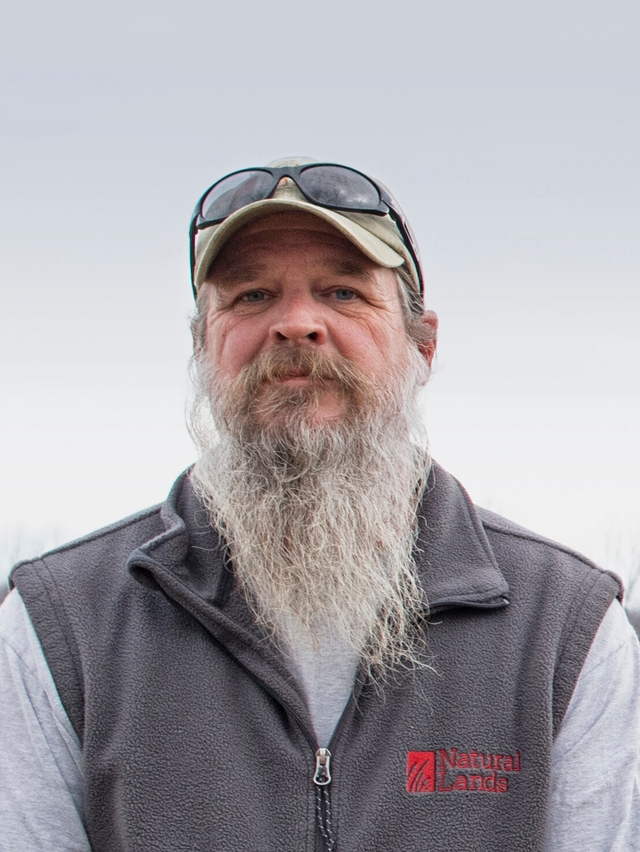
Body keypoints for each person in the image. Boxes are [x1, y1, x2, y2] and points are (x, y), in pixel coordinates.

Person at [1, 158, 639, 852]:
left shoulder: (564, 631)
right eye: (250, 296)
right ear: (202, 346)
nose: (297, 324)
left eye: (341, 292)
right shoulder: (59, 629)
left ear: (423, 344)